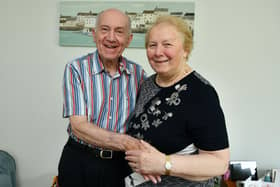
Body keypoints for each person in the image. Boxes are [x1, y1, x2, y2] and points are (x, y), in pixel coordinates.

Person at [125, 15, 230, 186]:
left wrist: (163, 163)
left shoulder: (202, 93)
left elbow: (219, 163)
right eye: (152, 45)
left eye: (167, 44)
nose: (158, 52)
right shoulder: (147, 84)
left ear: (185, 50)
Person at [58, 8, 147, 187]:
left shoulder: (139, 74)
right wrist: (127, 142)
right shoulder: (76, 69)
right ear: (94, 34)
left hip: (120, 165)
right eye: (105, 29)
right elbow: (79, 127)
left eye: (119, 31)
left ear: (129, 40)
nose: (111, 38)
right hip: (78, 161)